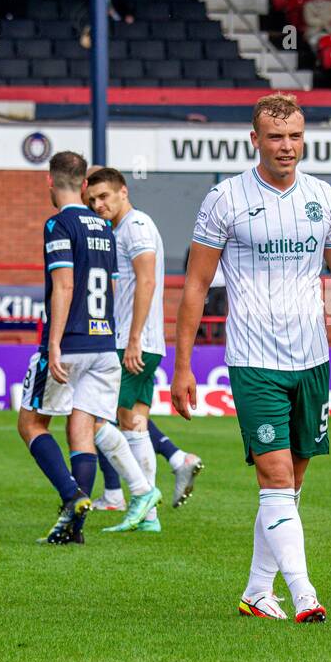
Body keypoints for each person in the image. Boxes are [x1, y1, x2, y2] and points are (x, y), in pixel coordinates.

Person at [171, 94, 331, 624]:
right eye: (275, 137)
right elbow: (196, 286)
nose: (286, 146)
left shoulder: (323, 198)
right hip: (253, 361)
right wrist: (182, 366)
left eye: (294, 136)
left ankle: (255, 592)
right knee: (274, 481)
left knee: (290, 488)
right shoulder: (225, 199)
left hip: (313, 361)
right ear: (255, 140)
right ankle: (305, 594)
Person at [20, 153, 162, 545]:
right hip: (104, 343)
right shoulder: (103, 225)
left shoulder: (58, 223)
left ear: (51, 183)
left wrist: (53, 342)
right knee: (82, 429)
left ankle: (72, 497)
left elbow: (64, 285)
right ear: (84, 185)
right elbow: (114, 286)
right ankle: (73, 530)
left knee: (31, 424)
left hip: (72, 342)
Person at [85, 167, 204, 528]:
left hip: (132, 341)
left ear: (123, 191)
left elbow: (148, 279)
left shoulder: (135, 226)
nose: (98, 204)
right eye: (92, 200)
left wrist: (134, 337)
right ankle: (148, 515)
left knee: (95, 419)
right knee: (134, 423)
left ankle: (141, 495)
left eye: (104, 196)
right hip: (136, 339)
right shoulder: (122, 228)